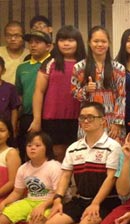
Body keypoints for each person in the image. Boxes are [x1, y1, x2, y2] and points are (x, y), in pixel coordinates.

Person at [37, 102, 122, 224]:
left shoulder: (113, 146)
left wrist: (96, 204)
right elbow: (65, 176)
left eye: (90, 117)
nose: (86, 121)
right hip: (81, 199)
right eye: (82, 117)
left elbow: (111, 178)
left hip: (107, 200)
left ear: (103, 121)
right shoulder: (74, 148)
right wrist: (58, 198)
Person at [0, 132, 61, 224]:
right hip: (29, 201)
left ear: (46, 148)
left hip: (50, 202)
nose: (32, 148)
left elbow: (57, 193)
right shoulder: (23, 168)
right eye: (29, 145)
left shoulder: (54, 166)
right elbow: (17, 192)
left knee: (36, 218)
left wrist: (43, 205)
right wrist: (4, 203)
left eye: (37, 145)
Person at [29, 25, 86, 162]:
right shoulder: (50, 63)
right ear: (56, 43)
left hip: (80, 117)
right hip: (53, 117)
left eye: (71, 40)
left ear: (78, 42)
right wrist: (37, 119)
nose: (66, 44)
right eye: (62, 40)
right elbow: (39, 92)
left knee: (78, 154)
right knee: (57, 154)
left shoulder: (86, 64)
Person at [72, 25, 126, 140]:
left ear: (109, 43)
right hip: (88, 120)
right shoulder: (79, 67)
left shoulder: (118, 68)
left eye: (103, 41)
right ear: (89, 43)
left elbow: (121, 97)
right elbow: (74, 94)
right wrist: (86, 90)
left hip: (112, 119)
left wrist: (117, 122)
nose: (100, 45)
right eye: (96, 41)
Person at [16, 30, 51, 160]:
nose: (33, 45)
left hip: (49, 116)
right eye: (30, 42)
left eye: (37, 42)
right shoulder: (22, 68)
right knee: (27, 152)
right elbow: (19, 95)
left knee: (49, 153)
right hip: (27, 116)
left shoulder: (53, 64)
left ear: (48, 46)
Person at [0, 119, 19, 202]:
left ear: (9, 134)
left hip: (4, 198)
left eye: (2, 130)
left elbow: (12, 182)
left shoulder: (11, 153)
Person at [0, 56, 19, 129]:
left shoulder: (10, 88)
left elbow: (14, 110)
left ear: (3, 70)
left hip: (5, 128)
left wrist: (13, 128)